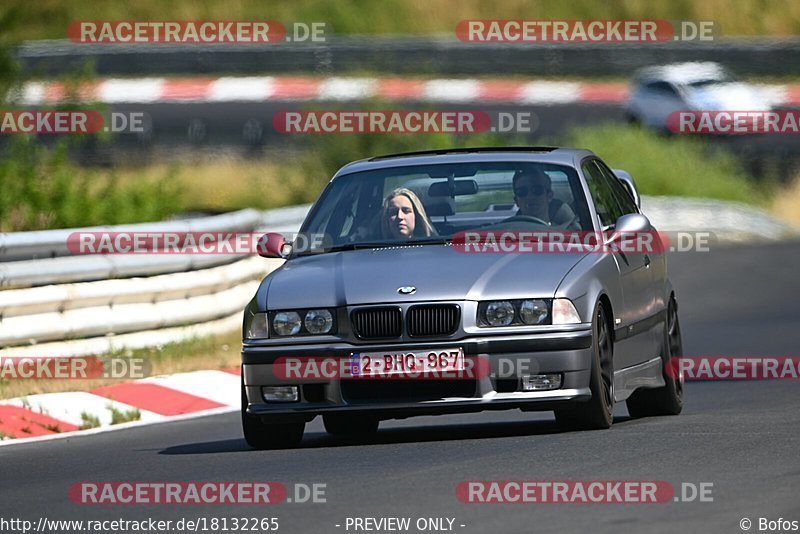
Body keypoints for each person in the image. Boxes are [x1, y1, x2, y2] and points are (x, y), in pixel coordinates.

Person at [511, 168, 577, 227]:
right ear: (516, 201)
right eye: (522, 192)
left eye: (537, 190)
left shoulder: (570, 235)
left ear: (549, 196)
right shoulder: (507, 235)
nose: (530, 196)